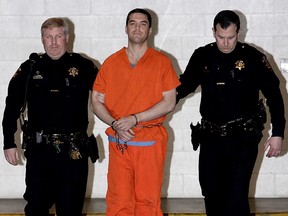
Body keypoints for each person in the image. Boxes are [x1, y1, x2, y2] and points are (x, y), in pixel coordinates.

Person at [176, 10, 285, 216]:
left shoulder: (253, 57)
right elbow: (181, 89)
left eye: (231, 38)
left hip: (243, 138)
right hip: (210, 138)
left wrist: (278, 132)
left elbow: (274, 96)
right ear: (213, 32)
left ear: (239, 32)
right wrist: (150, 107)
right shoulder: (202, 55)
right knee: (211, 194)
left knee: (236, 198)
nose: (225, 43)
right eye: (220, 37)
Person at [2, 17, 98, 216]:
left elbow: (108, 97)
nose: (54, 42)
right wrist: (9, 142)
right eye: (48, 37)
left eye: (58, 36)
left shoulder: (84, 67)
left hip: (74, 153)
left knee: (71, 210)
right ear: (42, 39)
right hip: (40, 153)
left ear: (67, 38)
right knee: (36, 208)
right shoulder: (29, 69)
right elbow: (11, 106)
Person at [91, 8, 180, 216]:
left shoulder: (162, 62)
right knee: (118, 200)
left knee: (147, 202)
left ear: (150, 30)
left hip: (149, 141)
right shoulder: (111, 63)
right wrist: (115, 124)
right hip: (120, 141)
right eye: (132, 23)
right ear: (126, 28)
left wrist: (135, 119)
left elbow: (169, 102)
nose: (137, 27)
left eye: (142, 24)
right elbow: (95, 101)